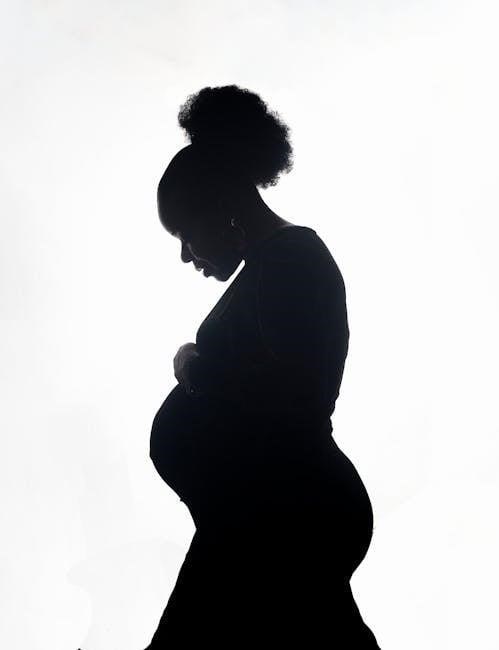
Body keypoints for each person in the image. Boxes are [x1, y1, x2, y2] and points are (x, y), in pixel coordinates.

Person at [145, 85, 381, 648]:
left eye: (185, 235)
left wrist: (194, 367)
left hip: (290, 510)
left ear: (221, 208)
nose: (186, 256)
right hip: (264, 510)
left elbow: (294, 398)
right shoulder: (271, 264)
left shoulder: (293, 259)